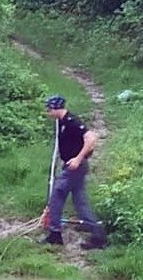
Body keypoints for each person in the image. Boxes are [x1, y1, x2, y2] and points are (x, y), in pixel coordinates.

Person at [42, 95, 107, 250]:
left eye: (49, 109)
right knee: (81, 203)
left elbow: (91, 139)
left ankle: (55, 233)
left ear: (56, 108)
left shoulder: (71, 121)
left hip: (75, 167)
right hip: (71, 166)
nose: (47, 112)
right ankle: (99, 236)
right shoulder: (60, 122)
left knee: (57, 193)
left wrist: (78, 159)